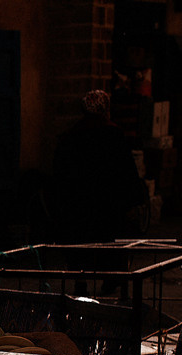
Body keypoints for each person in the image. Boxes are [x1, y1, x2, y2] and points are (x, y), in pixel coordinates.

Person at [51, 89, 150, 245]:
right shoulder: (114, 135)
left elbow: (60, 176)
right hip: (109, 210)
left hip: (78, 212)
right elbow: (126, 172)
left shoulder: (70, 137)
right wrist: (133, 202)